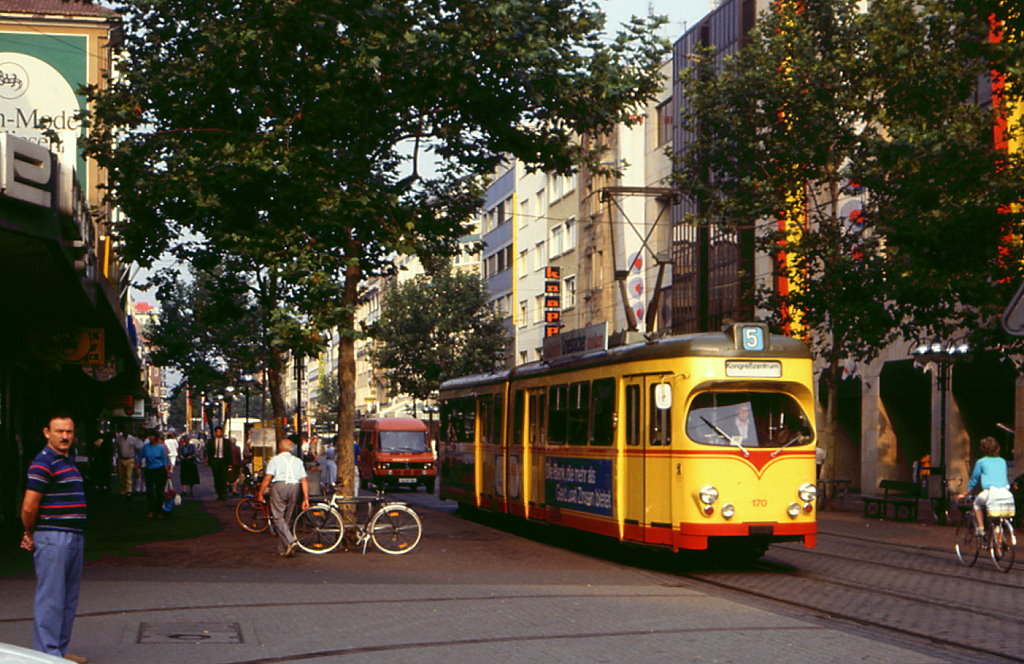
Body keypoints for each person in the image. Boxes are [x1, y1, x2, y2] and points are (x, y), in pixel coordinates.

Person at [20, 414, 89, 663]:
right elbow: (29, 506)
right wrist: (29, 533)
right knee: (51, 598)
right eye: (59, 431)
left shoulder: (67, 462)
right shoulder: (43, 463)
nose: (65, 436)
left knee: (68, 597)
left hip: (73, 536)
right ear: (47, 433)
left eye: (69, 431)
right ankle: (46, 654)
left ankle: (60, 650)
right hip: (53, 537)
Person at [255, 438, 310, 557]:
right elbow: (304, 479)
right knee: (287, 518)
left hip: (279, 485)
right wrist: (306, 498)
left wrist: (260, 492)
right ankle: (283, 548)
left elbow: (268, 477)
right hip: (295, 486)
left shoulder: (275, 460)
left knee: (278, 517)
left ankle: (290, 541)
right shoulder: (298, 461)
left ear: (280, 447)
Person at [959, 436, 1012, 535]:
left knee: (977, 504)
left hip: (990, 492)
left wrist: (966, 492)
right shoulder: (1002, 461)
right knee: (997, 520)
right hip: (1005, 493)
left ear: (983, 449)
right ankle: (999, 545)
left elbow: (974, 479)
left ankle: (981, 527)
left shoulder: (981, 462)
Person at [139, 434, 171, 518]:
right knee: (149, 491)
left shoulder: (160, 447)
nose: (151, 438)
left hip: (159, 470)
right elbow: (139, 458)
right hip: (149, 470)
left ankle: (159, 510)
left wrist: (167, 472)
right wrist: (137, 468)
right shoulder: (146, 447)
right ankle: (151, 510)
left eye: (152, 436)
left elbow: (164, 461)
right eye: (150, 436)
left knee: (159, 490)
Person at [205, 427, 233, 500]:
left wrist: (230, 463)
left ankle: (223, 494)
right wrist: (209, 461)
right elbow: (208, 451)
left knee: (223, 478)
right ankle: (218, 493)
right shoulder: (211, 441)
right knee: (216, 478)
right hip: (215, 461)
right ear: (215, 433)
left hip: (223, 461)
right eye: (217, 432)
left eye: (220, 432)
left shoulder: (226, 442)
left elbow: (229, 452)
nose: (218, 433)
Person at [113, 431, 136, 498]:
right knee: (122, 475)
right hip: (121, 459)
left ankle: (129, 490)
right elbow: (115, 447)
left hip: (130, 459)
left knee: (129, 475)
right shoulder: (119, 439)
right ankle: (123, 490)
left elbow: (136, 448)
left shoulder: (132, 439)